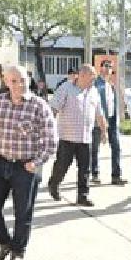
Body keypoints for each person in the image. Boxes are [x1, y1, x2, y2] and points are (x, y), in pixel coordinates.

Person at [0, 65, 58, 260]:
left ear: (28, 80)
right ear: (6, 82)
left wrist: (37, 162)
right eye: (14, 81)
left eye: (22, 80)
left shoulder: (39, 106)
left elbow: (51, 140)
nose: (19, 85)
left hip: (26, 166)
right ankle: (4, 243)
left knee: (22, 213)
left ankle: (18, 252)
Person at [47, 64, 108, 207]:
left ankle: (83, 195)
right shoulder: (66, 88)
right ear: (81, 75)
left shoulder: (94, 92)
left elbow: (99, 114)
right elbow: (53, 109)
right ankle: (54, 183)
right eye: (91, 78)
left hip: (86, 138)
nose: (93, 81)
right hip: (67, 137)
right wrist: (48, 130)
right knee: (62, 165)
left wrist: (104, 131)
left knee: (84, 169)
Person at [90, 60, 127, 186]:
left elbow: (114, 103)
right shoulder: (95, 84)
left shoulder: (110, 85)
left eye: (110, 67)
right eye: (106, 66)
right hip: (99, 120)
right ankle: (94, 174)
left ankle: (116, 175)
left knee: (116, 147)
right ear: (100, 68)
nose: (108, 69)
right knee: (95, 148)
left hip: (112, 120)